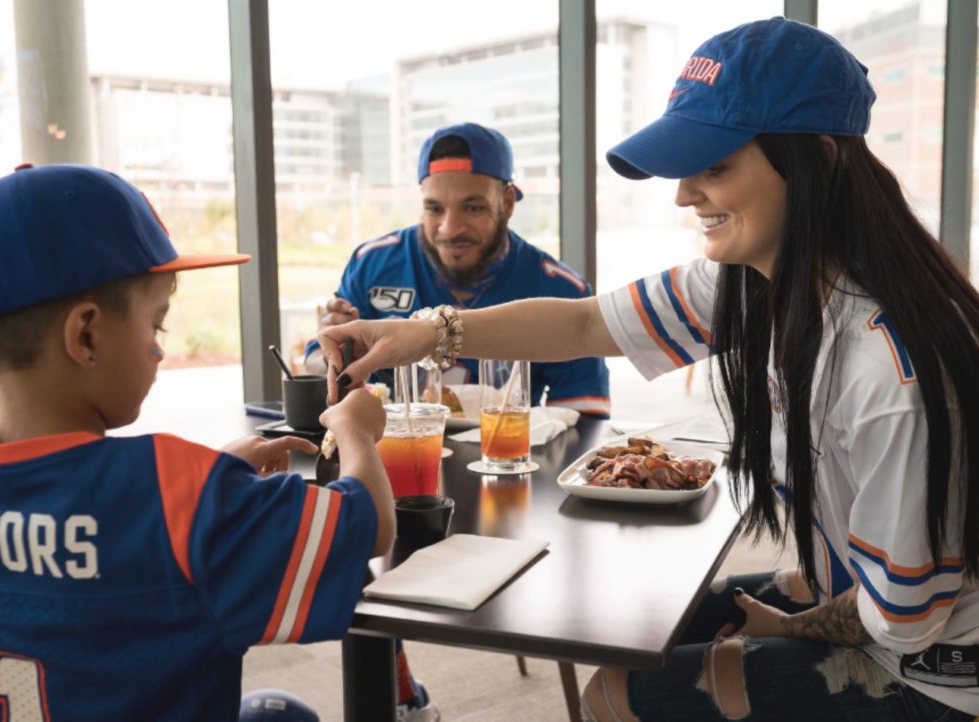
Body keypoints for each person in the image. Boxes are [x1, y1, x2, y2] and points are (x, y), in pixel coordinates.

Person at [318, 17, 979, 721]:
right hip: (865, 595)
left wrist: (781, 623)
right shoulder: (756, 283)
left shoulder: (888, 368)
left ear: (817, 158)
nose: (684, 194)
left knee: (615, 692)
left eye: (714, 166)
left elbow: (903, 617)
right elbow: (583, 322)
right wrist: (425, 333)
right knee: (642, 631)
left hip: (930, 676)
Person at [0, 163, 394, 721]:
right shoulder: (184, 495)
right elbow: (371, 526)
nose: (159, 349)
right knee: (283, 714)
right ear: (85, 334)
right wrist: (357, 430)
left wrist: (212, 477)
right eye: (156, 325)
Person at [307, 121, 611, 419]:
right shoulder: (373, 263)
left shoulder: (561, 289)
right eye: (434, 209)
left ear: (506, 203)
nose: (450, 229)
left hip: (507, 459)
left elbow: (582, 419)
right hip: (390, 458)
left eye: (473, 208)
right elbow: (315, 362)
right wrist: (336, 355)